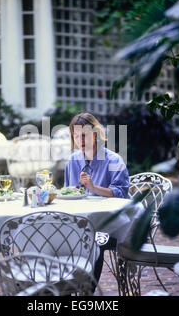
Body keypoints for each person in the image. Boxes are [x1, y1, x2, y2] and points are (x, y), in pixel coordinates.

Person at [64, 112, 129, 285]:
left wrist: (93, 188)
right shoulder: (72, 161)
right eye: (76, 136)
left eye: (84, 135)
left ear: (95, 134)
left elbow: (121, 194)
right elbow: (69, 193)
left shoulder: (114, 160)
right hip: (77, 223)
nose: (80, 140)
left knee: (93, 239)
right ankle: (63, 287)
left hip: (108, 225)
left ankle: (87, 292)